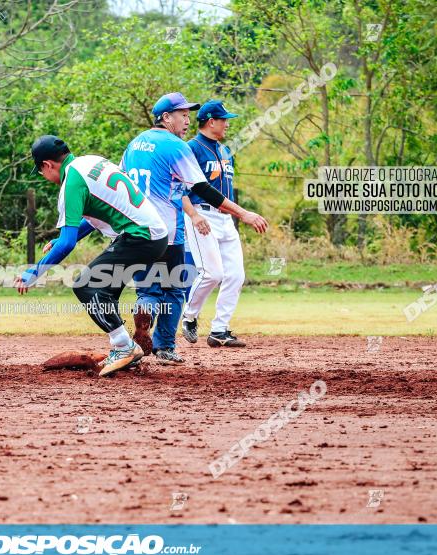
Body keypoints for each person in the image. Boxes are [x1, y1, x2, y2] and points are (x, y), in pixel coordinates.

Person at [120, 92, 267, 365]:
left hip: (137, 231)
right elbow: (201, 189)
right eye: (182, 114)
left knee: (148, 291)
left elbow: (120, 185)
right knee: (174, 289)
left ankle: (144, 314)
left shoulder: (135, 144)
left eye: (189, 114)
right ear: (166, 117)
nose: (187, 120)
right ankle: (165, 347)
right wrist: (242, 212)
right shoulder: (176, 146)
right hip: (169, 232)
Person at [15, 135, 168, 376]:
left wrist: (35, 271)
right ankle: (128, 351)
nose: (44, 177)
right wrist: (68, 236)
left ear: (47, 164)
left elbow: (66, 245)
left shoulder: (71, 182)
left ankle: (124, 347)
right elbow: (94, 218)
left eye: (41, 171)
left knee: (85, 286)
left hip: (140, 236)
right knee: (104, 292)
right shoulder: (89, 162)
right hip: (154, 235)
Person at [182, 100, 249, 347]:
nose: (227, 124)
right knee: (212, 273)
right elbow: (180, 187)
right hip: (202, 214)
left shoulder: (224, 150)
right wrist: (193, 215)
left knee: (235, 275)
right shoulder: (191, 148)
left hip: (225, 218)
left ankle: (219, 330)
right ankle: (189, 317)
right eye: (224, 119)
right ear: (211, 121)